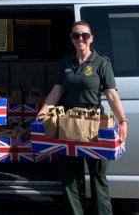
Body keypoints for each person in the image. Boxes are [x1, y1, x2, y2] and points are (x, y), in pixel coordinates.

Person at [37, 20, 128, 215]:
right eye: (76, 35)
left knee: (98, 176)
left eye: (85, 35)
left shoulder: (101, 62)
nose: (81, 39)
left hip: (93, 125)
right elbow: (57, 91)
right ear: (71, 39)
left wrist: (123, 120)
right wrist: (43, 112)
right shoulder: (66, 63)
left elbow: (111, 94)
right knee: (69, 178)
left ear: (91, 38)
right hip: (67, 123)